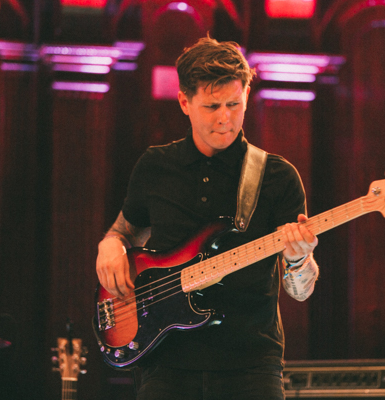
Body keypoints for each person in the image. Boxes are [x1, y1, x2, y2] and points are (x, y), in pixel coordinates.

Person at [95, 35, 319, 400]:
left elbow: (301, 291)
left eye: (234, 104)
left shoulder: (277, 177)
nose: (225, 118)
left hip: (251, 365)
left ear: (247, 93)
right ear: (184, 102)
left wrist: (298, 260)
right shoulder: (155, 165)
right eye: (212, 106)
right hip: (166, 362)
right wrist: (110, 245)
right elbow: (125, 229)